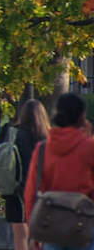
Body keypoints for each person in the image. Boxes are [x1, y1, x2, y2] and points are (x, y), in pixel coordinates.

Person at [23, 92, 94, 250]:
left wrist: (34, 230)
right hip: (84, 223)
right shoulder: (89, 148)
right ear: (82, 117)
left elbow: (31, 192)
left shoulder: (42, 149)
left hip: (52, 223)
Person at [4, 99, 49, 250]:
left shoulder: (14, 134)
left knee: (20, 236)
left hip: (15, 189)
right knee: (40, 236)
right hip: (41, 192)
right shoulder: (47, 138)